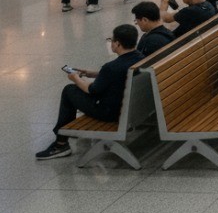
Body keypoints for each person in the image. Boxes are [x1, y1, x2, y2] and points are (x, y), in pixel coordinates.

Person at [36, 24, 144, 160]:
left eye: (112, 40)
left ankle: (61, 143)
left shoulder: (111, 67)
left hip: (110, 113)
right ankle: (66, 131)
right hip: (133, 109)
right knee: (74, 89)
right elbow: (118, 75)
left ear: (117, 43)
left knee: (69, 90)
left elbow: (91, 90)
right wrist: (93, 74)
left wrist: (75, 78)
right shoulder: (141, 57)